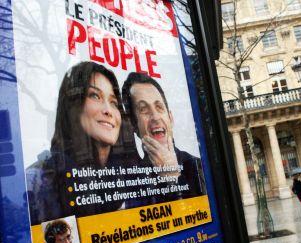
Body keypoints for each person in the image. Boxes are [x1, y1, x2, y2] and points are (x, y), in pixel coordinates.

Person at [27, 61, 126, 225]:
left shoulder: (128, 178)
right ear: (72, 107)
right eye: (95, 95)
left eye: (114, 102)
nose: (109, 110)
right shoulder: (37, 179)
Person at [122, 72, 206, 203]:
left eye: (159, 107)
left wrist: (173, 179)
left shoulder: (197, 165)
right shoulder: (131, 181)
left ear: (170, 118)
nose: (155, 117)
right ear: (133, 125)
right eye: (144, 109)